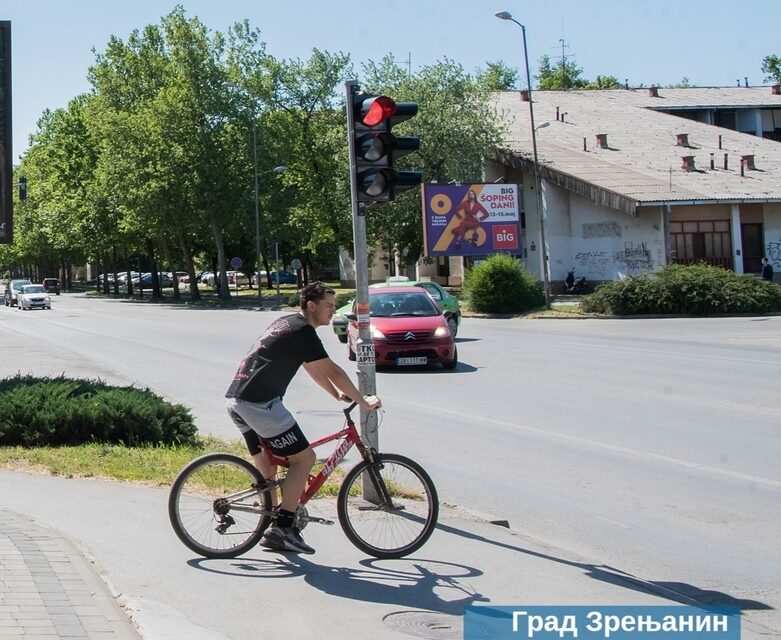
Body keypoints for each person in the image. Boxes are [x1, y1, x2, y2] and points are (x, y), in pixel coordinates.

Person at [225, 282, 381, 554]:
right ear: (312, 305)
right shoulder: (303, 332)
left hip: (237, 400)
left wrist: (335, 396)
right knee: (305, 458)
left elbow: (313, 367)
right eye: (329, 306)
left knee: (270, 472)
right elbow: (333, 370)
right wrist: (362, 401)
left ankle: (271, 522)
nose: (333, 311)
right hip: (259, 404)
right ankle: (284, 529)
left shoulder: (288, 323)